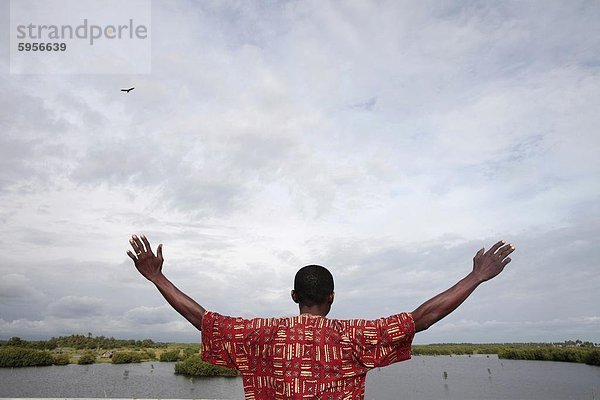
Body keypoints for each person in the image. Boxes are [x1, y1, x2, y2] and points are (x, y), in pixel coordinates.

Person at [127, 234, 515, 399]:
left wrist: (157, 277)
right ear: (331, 298)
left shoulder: (261, 335)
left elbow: (203, 319)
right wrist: (477, 276)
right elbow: (422, 318)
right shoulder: (352, 337)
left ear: (294, 296)